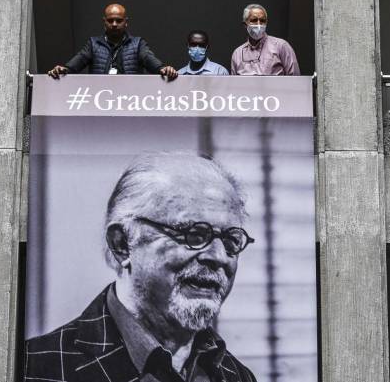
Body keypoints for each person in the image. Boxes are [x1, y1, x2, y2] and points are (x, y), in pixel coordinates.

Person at [24, 153, 257, 382]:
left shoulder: (236, 375)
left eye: (231, 240)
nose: (219, 257)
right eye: (194, 234)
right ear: (123, 244)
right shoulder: (33, 369)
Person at [48, 3, 177, 80]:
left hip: (130, 99)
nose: (114, 24)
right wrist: (64, 69)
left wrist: (163, 69)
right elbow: (78, 62)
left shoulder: (137, 44)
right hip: (100, 99)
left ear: (126, 22)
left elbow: (149, 59)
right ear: (104, 22)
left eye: (119, 20)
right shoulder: (93, 44)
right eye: (110, 20)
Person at [230, 4, 300, 76]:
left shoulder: (281, 46)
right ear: (245, 24)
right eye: (254, 20)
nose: (259, 24)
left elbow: (295, 78)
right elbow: (234, 82)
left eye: (262, 20)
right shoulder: (237, 54)